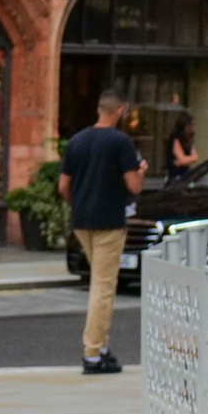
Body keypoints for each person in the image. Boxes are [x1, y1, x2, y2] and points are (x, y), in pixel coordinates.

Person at [60, 90, 144, 374]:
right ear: (120, 110)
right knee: (104, 287)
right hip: (109, 219)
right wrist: (141, 170)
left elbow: (63, 186)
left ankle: (103, 348)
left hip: (82, 220)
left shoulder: (77, 140)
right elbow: (134, 186)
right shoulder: (121, 142)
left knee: (100, 282)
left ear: (99, 109)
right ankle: (93, 353)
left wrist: (80, 202)